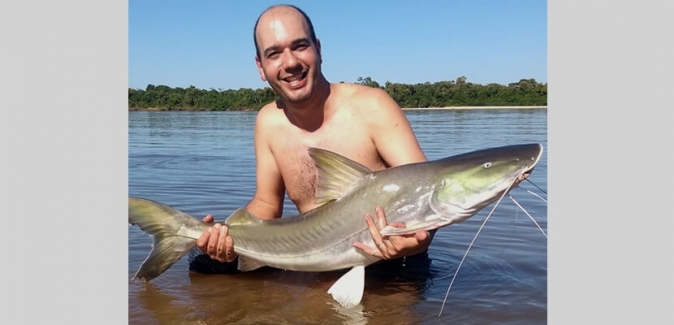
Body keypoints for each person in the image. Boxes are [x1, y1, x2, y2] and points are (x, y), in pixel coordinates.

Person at [193, 4, 434, 271]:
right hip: (316, 256)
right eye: (274, 53)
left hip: (388, 258)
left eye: (299, 46)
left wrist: (421, 241)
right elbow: (267, 203)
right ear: (261, 67)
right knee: (203, 265)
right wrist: (225, 234)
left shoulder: (373, 106)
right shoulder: (268, 121)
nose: (291, 63)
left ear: (318, 48)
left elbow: (429, 189)